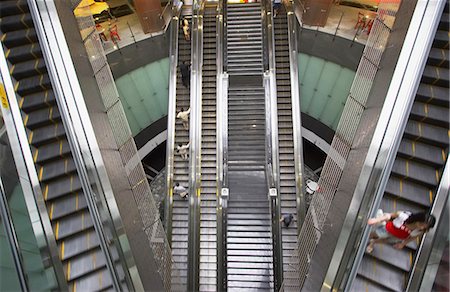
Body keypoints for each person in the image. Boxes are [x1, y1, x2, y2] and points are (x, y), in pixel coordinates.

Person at [366, 211, 436, 253]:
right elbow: (390, 215)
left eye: (425, 227)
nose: (422, 227)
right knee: (375, 234)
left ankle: (373, 242)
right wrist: (376, 220)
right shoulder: (404, 216)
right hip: (390, 229)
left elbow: (412, 238)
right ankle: (365, 237)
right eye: (421, 224)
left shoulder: (420, 231)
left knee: (385, 240)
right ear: (417, 219)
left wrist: (403, 244)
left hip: (399, 236)